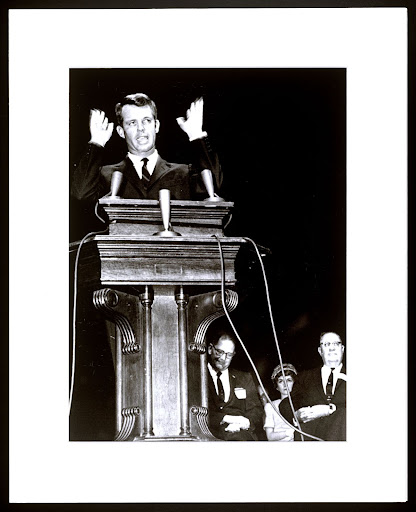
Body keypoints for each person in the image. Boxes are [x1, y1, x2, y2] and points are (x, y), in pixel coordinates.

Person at [71, 93, 222, 202]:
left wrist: (197, 136)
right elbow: (80, 193)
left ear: (156, 126)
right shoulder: (106, 174)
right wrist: (96, 142)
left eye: (147, 121)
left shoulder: (183, 173)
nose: (141, 129)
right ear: (121, 132)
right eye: (132, 123)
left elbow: (214, 187)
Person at [279, 331, 346, 441]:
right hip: (310, 437)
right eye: (327, 344)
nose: (332, 348)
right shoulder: (305, 377)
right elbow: (286, 404)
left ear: (342, 348)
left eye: (336, 344)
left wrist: (329, 409)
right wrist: (296, 415)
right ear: (320, 351)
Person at [207, 334, 264, 441]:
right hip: (210, 435)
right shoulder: (198, 377)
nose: (223, 358)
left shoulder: (244, 378)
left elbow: (256, 410)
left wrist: (245, 423)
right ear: (210, 349)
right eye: (219, 352)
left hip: (242, 435)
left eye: (229, 355)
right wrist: (226, 418)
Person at [263, 363, 297, 441]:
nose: (285, 384)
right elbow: (270, 436)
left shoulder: (302, 403)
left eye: (289, 380)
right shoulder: (271, 406)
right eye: (281, 381)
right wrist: (289, 433)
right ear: (277, 386)